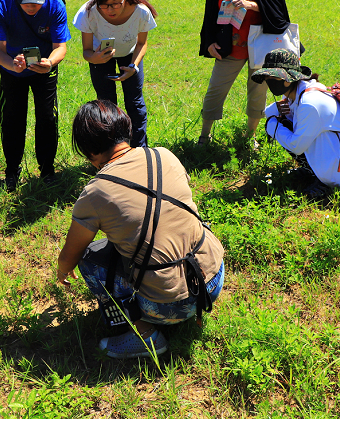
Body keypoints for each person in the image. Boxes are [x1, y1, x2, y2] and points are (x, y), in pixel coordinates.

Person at [57, 101, 225, 359]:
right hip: (212, 278)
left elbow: (70, 256)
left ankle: (146, 335)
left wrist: (62, 270)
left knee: (91, 258)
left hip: (171, 306)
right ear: (126, 129)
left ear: (90, 151)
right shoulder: (165, 155)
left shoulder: (95, 192)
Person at [196, 0, 293, 148]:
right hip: (228, 44)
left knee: (258, 91)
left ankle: (251, 136)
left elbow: (278, 11)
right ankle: (204, 136)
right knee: (215, 90)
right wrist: (209, 41)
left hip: (260, 43)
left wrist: (249, 5)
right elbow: (210, 13)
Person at [0, 0, 70, 190]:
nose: (31, 5)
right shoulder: (0, 6)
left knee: (47, 118)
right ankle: (12, 170)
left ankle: (47, 168)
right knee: (12, 119)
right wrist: (12, 65)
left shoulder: (55, 5)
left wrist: (50, 63)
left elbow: (60, 46)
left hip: (44, 67)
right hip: (12, 70)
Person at [252, 49, 340, 198]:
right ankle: (314, 170)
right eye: (267, 77)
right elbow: (276, 115)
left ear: (288, 79)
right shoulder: (301, 92)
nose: (268, 81)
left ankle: (325, 181)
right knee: (283, 123)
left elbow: (296, 146)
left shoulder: (309, 103)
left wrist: (271, 125)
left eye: (273, 77)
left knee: (279, 126)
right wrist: (273, 111)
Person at [73, 0, 157, 148]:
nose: (110, 10)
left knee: (135, 103)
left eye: (116, 4)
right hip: (101, 57)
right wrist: (94, 58)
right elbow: (86, 51)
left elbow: (142, 43)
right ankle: (112, 150)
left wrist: (133, 67)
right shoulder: (89, 12)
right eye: (104, 5)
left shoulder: (141, 11)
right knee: (106, 106)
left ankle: (139, 149)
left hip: (131, 55)